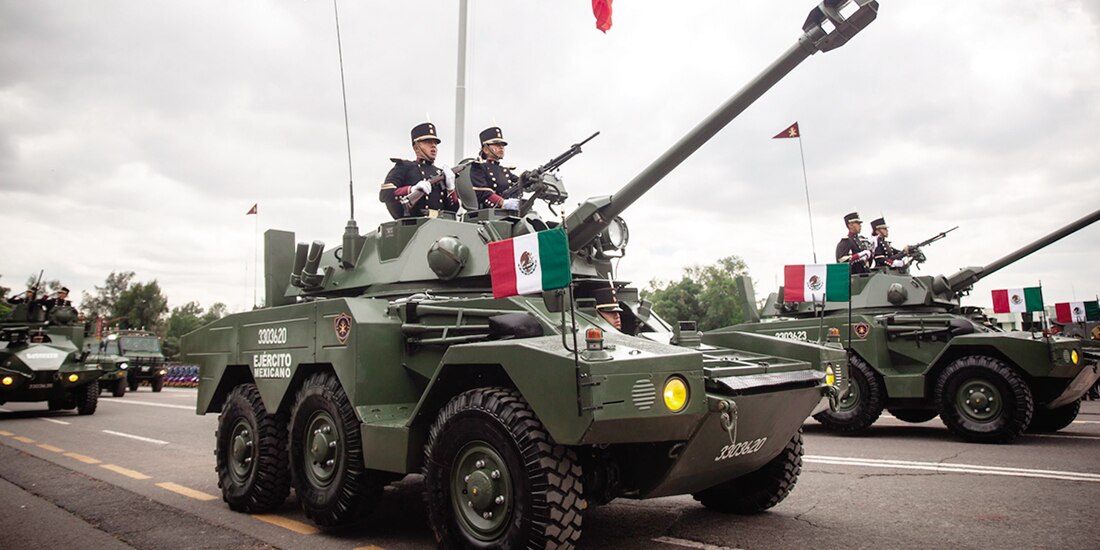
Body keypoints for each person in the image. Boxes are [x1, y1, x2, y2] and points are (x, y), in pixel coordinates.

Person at [378, 122, 458, 219]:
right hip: (412, 227)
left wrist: (451, 189)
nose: (433, 146)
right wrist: (411, 189)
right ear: (416, 147)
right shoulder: (404, 167)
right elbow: (385, 194)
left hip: (439, 226)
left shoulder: (440, 173)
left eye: (435, 143)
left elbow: (453, 210)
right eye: (428, 142)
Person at [469, 126, 523, 210]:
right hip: (488, 214)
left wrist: (531, 178)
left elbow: (521, 182)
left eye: (502, 145)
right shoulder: (478, 167)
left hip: (509, 213)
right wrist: (501, 202)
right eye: (497, 144)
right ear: (486, 149)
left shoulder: (504, 170)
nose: (501, 147)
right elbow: (482, 191)